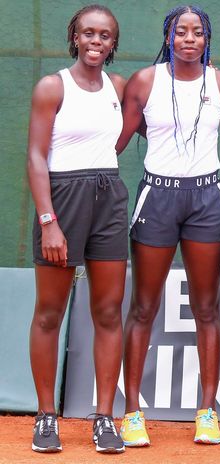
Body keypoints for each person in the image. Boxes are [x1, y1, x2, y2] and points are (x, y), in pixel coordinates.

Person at [115, 4, 220, 447]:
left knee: (207, 308)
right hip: (159, 196)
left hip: (208, 199)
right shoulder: (145, 82)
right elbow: (117, 140)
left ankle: (207, 411)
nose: (189, 39)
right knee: (143, 307)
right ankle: (131, 411)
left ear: (207, 39)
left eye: (198, 32)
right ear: (168, 37)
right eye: (180, 32)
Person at [26, 3, 127, 454]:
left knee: (107, 312)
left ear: (113, 43)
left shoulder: (118, 87)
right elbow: (35, 156)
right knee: (50, 312)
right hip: (63, 199)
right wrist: (49, 221)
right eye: (88, 33)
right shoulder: (53, 86)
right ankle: (46, 416)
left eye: (104, 36)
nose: (96, 42)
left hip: (109, 196)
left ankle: (103, 418)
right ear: (75, 36)